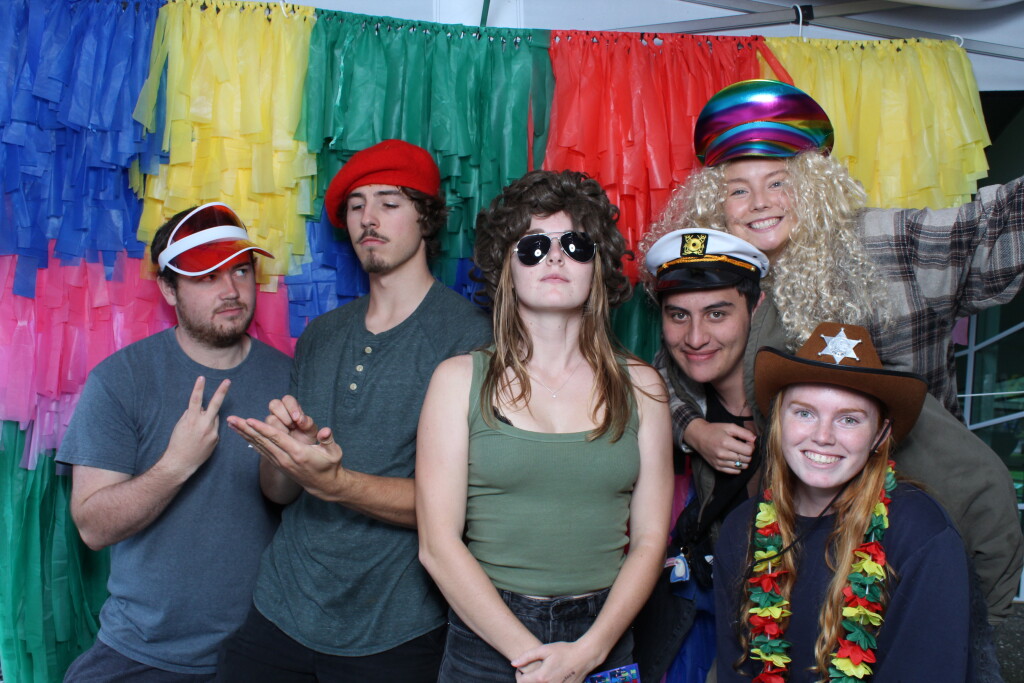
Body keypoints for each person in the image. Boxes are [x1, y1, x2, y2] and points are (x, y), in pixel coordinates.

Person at [642, 79, 1023, 623]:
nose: (759, 204)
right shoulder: (722, 272)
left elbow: (991, 227)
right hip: (789, 550)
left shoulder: (879, 242)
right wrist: (692, 429)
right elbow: (672, 363)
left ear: (814, 185)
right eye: (737, 190)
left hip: (920, 517)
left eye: (779, 182)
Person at [218, 139, 492, 681]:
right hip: (281, 607)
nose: (369, 218)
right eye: (356, 205)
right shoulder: (321, 335)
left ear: (426, 217)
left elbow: (464, 507)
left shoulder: (470, 338)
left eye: (390, 203)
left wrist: (337, 483)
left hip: (394, 627)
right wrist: (283, 453)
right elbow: (279, 493)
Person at [415, 169, 673, 682]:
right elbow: (437, 547)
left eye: (575, 245)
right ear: (505, 268)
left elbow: (649, 541)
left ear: (597, 266)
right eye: (533, 247)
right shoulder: (457, 381)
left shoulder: (643, 387)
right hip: (487, 637)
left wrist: (589, 652)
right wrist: (534, 659)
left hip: (604, 634)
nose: (555, 257)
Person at [58, 203, 290, 681]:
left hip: (260, 652)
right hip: (143, 652)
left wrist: (290, 462)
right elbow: (93, 528)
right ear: (168, 288)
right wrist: (176, 465)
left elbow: (286, 500)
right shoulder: (120, 380)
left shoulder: (289, 377)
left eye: (241, 270)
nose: (231, 291)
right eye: (206, 276)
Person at [714, 322, 972, 682]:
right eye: (804, 413)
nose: (823, 436)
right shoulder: (742, 529)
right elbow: (735, 670)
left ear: (880, 434)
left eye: (849, 419)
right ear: (778, 421)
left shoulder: (923, 535)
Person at [632, 228, 769, 683]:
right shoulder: (667, 387)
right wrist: (694, 430)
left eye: (716, 313)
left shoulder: (800, 397)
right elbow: (653, 380)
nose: (694, 337)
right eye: (678, 315)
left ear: (756, 306)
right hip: (699, 602)